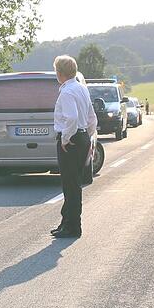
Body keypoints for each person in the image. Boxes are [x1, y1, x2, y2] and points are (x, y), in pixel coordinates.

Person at [52, 55, 97, 239]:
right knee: (73, 183)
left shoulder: (67, 92)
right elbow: (92, 116)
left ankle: (73, 226)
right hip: (81, 137)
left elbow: (71, 117)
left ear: (59, 73)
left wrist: (65, 138)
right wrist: (87, 134)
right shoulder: (81, 88)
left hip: (71, 141)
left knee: (70, 185)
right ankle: (67, 222)